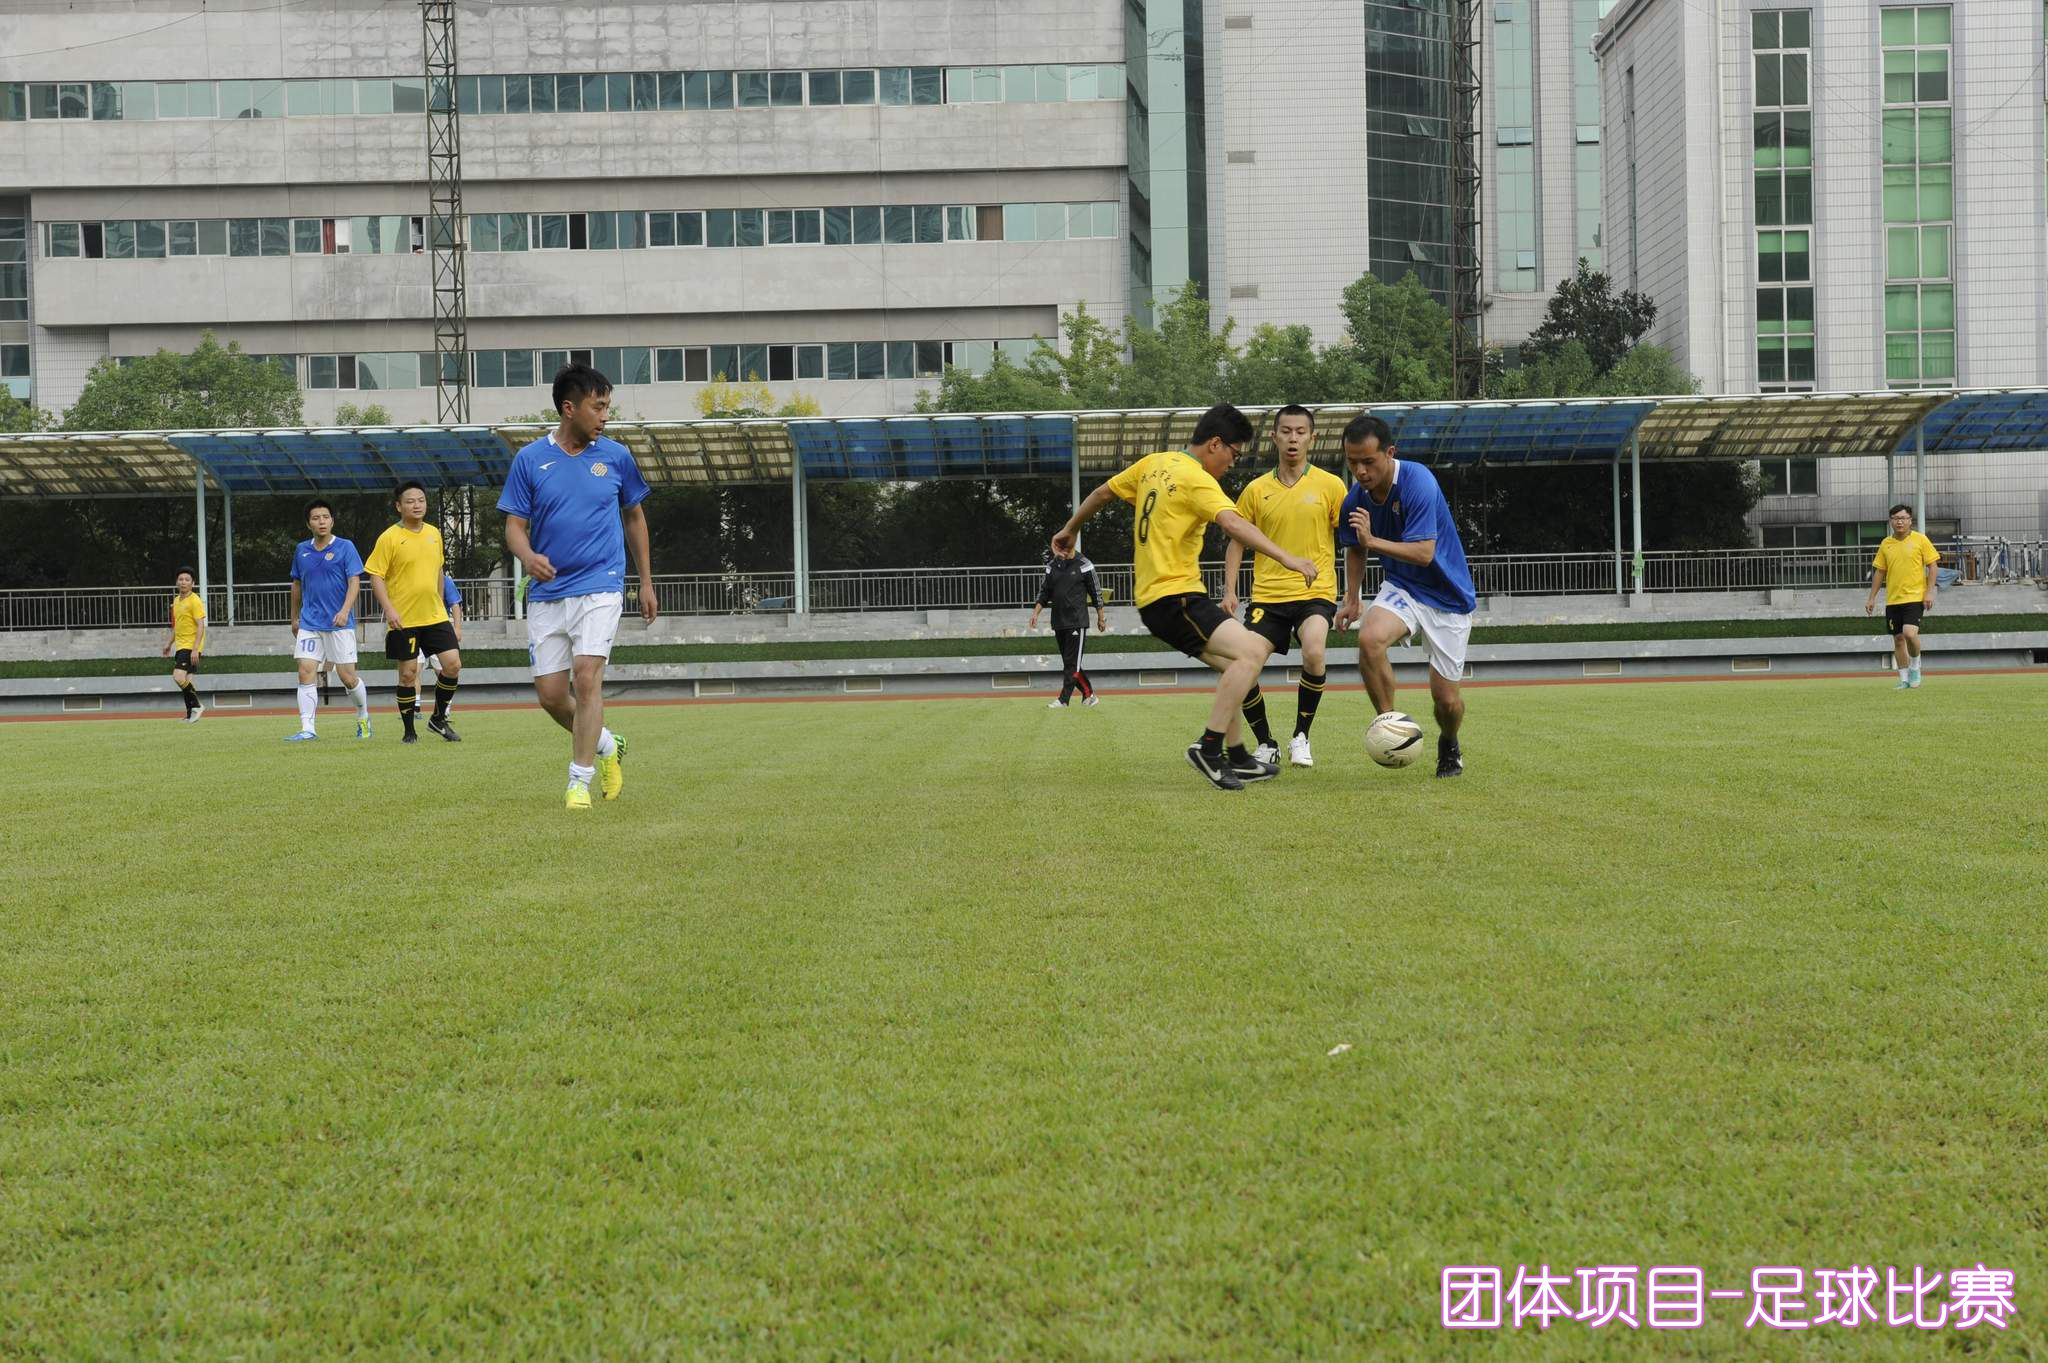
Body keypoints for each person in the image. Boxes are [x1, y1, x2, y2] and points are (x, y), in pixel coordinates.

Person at [1051, 403, 1317, 791]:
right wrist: (1288, 558)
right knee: (1252, 653)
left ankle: (1238, 756)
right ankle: (1208, 748)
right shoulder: (1197, 479)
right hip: (1176, 597)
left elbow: (1102, 492)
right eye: (1233, 454)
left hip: (1156, 601)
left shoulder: (1154, 464)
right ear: (1215, 444)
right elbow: (1233, 523)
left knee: (1235, 666)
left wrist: (1070, 528)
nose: (1232, 464)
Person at [499, 362, 656, 811]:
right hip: (548, 593)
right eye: (598, 407)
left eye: (607, 407)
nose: (605, 416)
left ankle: (578, 782)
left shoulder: (616, 457)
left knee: (586, 677)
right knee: (551, 696)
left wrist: (645, 581)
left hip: (601, 584)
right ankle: (608, 744)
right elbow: (514, 527)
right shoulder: (531, 460)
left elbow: (634, 518)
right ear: (569, 408)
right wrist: (528, 557)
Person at [1334, 414, 1476, 779]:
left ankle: (1449, 741)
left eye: (1368, 461)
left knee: (1446, 702)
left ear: (1390, 453)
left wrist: (1372, 540)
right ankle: (1390, 727)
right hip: (1403, 587)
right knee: (1370, 639)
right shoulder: (1355, 500)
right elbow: (1355, 547)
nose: (1360, 471)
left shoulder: (1418, 482)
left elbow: (1424, 553)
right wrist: (1352, 598)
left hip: (1448, 597)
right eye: (1352, 462)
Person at [1219, 404, 1346, 769]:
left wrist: (1353, 595)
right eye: (1286, 431)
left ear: (1312, 438)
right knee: (1241, 664)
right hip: (1268, 596)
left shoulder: (1331, 486)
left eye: (1300, 432)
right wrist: (1230, 590)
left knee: (1314, 650)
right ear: (1274, 437)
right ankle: (1266, 743)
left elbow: (1352, 541)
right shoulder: (1256, 490)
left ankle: (1301, 737)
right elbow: (1236, 541)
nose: (1293, 438)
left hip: (1315, 592)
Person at [365, 480, 464, 744]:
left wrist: (440, 602)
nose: (416, 505)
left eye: (421, 500)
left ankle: (438, 719)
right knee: (408, 674)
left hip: (435, 615)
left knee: (453, 664)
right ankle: (409, 731)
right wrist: (389, 610)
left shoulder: (434, 533)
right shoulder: (389, 537)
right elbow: (375, 576)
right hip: (404, 619)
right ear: (399, 506)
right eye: (410, 501)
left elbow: (439, 570)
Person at [285, 499, 372, 741]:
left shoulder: (346, 547)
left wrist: (345, 611)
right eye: (316, 518)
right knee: (305, 671)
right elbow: (296, 584)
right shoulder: (301, 550)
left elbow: (354, 581)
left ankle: (363, 715)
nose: (321, 521)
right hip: (310, 623)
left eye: (325, 517)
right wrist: (294, 618)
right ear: (308, 524)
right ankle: (308, 729)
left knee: (347, 677)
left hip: (339, 624)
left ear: (332, 520)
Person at [1864, 502, 1939, 689]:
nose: (1899, 522)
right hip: (1893, 599)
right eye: (1896, 518)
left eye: (1903, 518)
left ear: (1910, 520)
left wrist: (1929, 592)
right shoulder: (1886, 544)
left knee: (1909, 633)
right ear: (1891, 521)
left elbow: (1932, 566)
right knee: (1898, 639)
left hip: (1914, 597)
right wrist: (1872, 598)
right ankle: (1904, 679)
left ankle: (1915, 666)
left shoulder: (1920, 540)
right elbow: (1880, 572)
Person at [1029, 546, 1107, 707]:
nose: (1060, 551)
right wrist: (1035, 613)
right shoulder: (1052, 566)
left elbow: (1096, 593)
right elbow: (1044, 592)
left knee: (1071, 664)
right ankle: (1089, 694)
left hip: (1077, 621)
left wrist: (1101, 618)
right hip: (1058, 622)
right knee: (1070, 663)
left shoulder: (1085, 564)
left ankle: (1063, 700)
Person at [160, 566, 206, 723]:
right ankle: (190, 714)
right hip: (180, 646)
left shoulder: (195, 600)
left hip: (191, 646)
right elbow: (177, 626)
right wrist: (168, 644)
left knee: (178, 676)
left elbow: (201, 626)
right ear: (176, 582)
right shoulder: (176, 601)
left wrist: (195, 649)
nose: (183, 582)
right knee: (187, 681)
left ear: (193, 583)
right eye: (181, 579)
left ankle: (197, 706)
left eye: (187, 580)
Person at [421, 574, 463, 675]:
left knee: (444, 671)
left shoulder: (445, 580)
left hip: (438, 627)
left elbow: (455, 605)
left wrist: (457, 628)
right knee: (412, 673)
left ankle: (442, 686)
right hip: (417, 626)